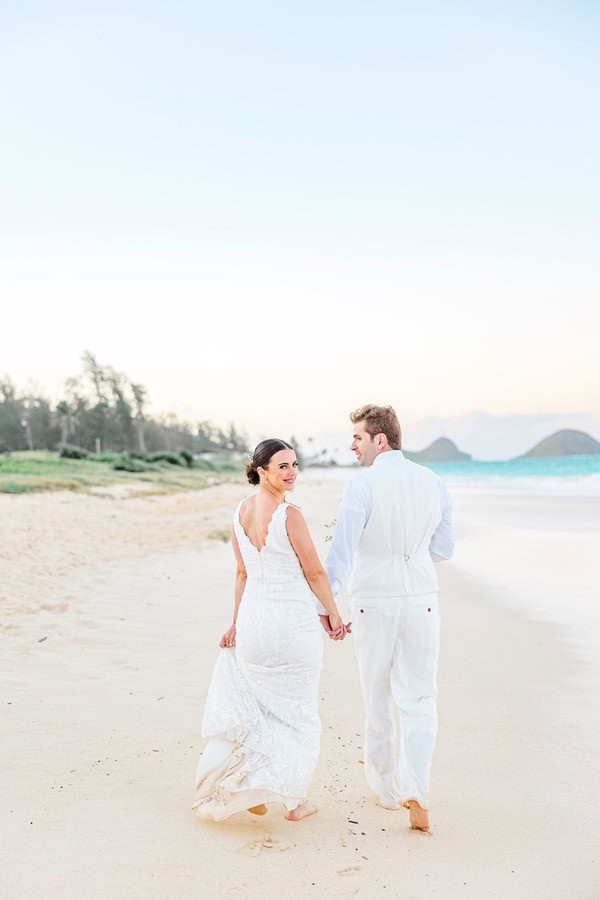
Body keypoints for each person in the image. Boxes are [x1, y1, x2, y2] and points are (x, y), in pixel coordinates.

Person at [193, 438, 350, 822]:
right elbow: (314, 571)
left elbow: (243, 572)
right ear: (261, 471)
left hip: (252, 626)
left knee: (258, 712)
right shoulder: (289, 515)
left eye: (294, 464)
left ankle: (251, 788)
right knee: (297, 715)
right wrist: (333, 614)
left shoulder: (239, 514)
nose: (291, 472)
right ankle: (294, 801)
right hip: (291, 627)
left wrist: (234, 624)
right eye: (282, 466)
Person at [320, 405, 454, 832]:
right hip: (422, 597)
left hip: (374, 598)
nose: (352, 445)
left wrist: (327, 604)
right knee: (420, 699)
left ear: (381, 440)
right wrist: (410, 560)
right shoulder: (433, 482)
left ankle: (384, 786)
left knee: (376, 692)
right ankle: (417, 787)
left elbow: (342, 549)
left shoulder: (362, 485)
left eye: (357, 437)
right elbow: (445, 549)